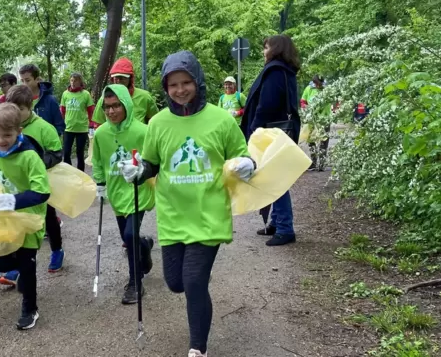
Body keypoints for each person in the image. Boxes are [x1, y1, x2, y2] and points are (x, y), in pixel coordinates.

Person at [119, 51, 254, 357]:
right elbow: (152, 162)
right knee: (175, 283)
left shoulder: (220, 119)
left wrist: (247, 163)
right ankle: (181, 267)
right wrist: (139, 172)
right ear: (166, 88)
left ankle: (198, 348)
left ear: (198, 82)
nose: (180, 90)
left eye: (186, 82)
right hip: (173, 215)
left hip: (209, 213)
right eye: (173, 85)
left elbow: (242, 153)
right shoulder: (159, 123)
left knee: (193, 282)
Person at [0, 103, 50, 330]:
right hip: (1, 219)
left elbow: (42, 192)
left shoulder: (29, 157)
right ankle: (23, 271)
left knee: (26, 263)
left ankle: (30, 308)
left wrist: (14, 201)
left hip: (28, 219)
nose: (1, 140)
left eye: (7, 135)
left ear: (19, 132)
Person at [91, 85, 155, 305]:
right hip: (116, 191)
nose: (111, 111)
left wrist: (142, 169)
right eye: (107, 107)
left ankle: (135, 283)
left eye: (116, 105)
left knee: (129, 236)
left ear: (126, 104)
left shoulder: (142, 131)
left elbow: (153, 159)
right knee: (129, 238)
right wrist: (99, 183)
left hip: (139, 190)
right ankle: (144, 245)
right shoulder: (100, 133)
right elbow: (97, 160)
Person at [240, 35, 301, 246]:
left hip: (269, 133)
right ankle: (276, 222)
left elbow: (266, 105)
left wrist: (253, 129)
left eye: (265, 47)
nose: (263, 51)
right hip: (281, 132)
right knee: (273, 177)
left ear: (275, 48)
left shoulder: (275, 71)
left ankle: (285, 228)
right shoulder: (286, 71)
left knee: (275, 180)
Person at [3, 84, 64, 282]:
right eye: (12, 108)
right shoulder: (6, 128)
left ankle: (56, 250)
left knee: (48, 218)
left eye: (20, 109)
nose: (16, 114)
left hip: (41, 184)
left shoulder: (44, 128)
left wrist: (36, 164)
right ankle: (19, 264)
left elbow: (56, 154)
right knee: (18, 221)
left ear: (31, 106)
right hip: (16, 184)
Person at [91, 57, 159, 126]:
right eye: (116, 78)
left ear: (130, 78)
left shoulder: (144, 97)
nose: (118, 81)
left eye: (122, 78)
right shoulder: (104, 99)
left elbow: (155, 120)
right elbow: (98, 124)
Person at [60, 73, 95, 171]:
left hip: (82, 128)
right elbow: (62, 110)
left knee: (80, 153)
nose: (73, 83)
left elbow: (90, 110)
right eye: (71, 80)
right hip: (68, 127)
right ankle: (69, 173)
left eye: (75, 80)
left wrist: (92, 124)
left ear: (80, 82)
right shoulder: (65, 94)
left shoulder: (85, 94)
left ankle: (81, 174)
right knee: (66, 153)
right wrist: (60, 123)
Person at [19, 64, 65, 136]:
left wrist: (49, 138)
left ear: (37, 79)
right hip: (26, 145)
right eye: (22, 81)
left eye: (27, 80)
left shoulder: (50, 100)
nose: (24, 84)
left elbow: (60, 126)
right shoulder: (20, 100)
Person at [301, 75, 329, 172]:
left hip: (324, 118)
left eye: (319, 84)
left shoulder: (327, 90)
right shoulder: (309, 89)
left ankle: (321, 163)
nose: (317, 86)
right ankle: (313, 162)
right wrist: (305, 108)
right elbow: (303, 101)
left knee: (323, 141)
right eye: (316, 84)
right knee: (310, 140)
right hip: (312, 119)